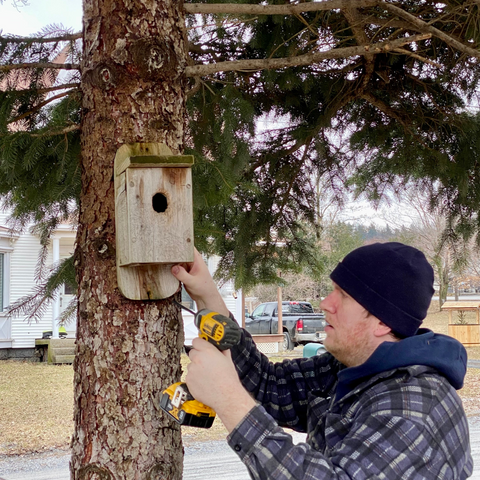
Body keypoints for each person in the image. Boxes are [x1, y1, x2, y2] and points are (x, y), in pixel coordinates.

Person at [171, 242, 473, 479]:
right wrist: (208, 295)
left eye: (342, 295)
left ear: (382, 322)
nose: (325, 303)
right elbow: (272, 386)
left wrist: (228, 400)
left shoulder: (414, 409)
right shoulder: (356, 367)